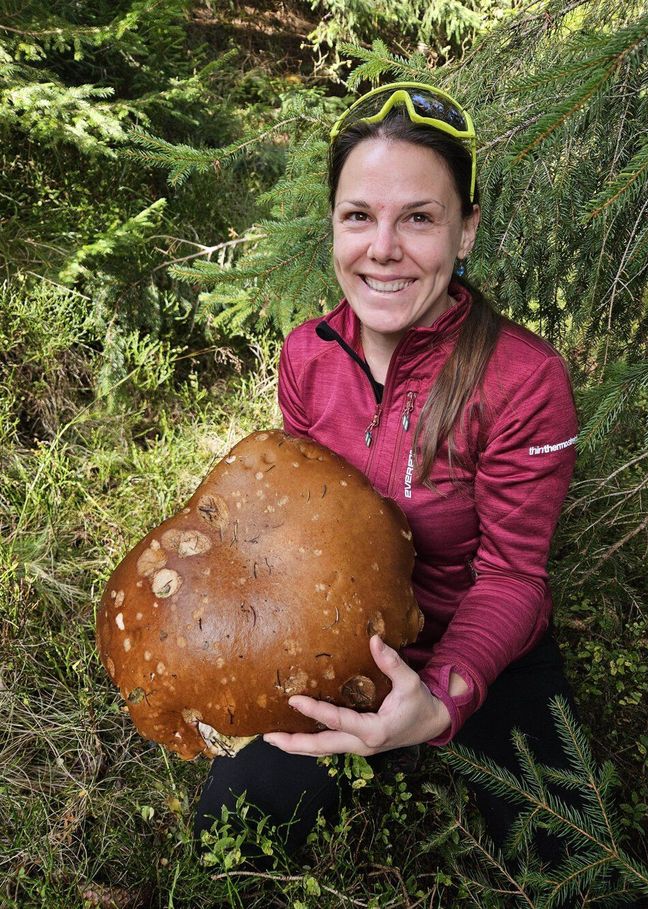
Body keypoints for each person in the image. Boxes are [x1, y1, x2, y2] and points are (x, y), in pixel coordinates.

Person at [195, 82, 580, 863]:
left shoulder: (524, 379)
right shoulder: (307, 355)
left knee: (567, 859)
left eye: (420, 218)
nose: (383, 248)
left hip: (486, 645)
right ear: (334, 226)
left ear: (466, 230)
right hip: (350, 641)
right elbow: (293, 525)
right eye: (359, 216)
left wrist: (439, 701)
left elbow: (512, 577)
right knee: (231, 828)